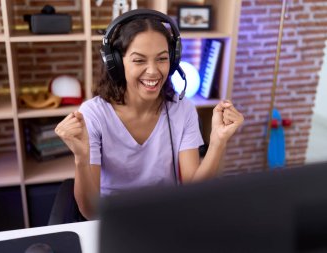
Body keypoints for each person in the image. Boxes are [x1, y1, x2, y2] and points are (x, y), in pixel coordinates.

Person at [55, 9, 244, 220]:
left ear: (172, 61)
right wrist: (81, 158)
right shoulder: (94, 114)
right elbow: (91, 212)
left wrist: (218, 142)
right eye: (139, 60)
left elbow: (193, 191)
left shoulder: (182, 110)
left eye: (162, 58)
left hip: (165, 215)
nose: (153, 71)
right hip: (115, 219)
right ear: (116, 63)